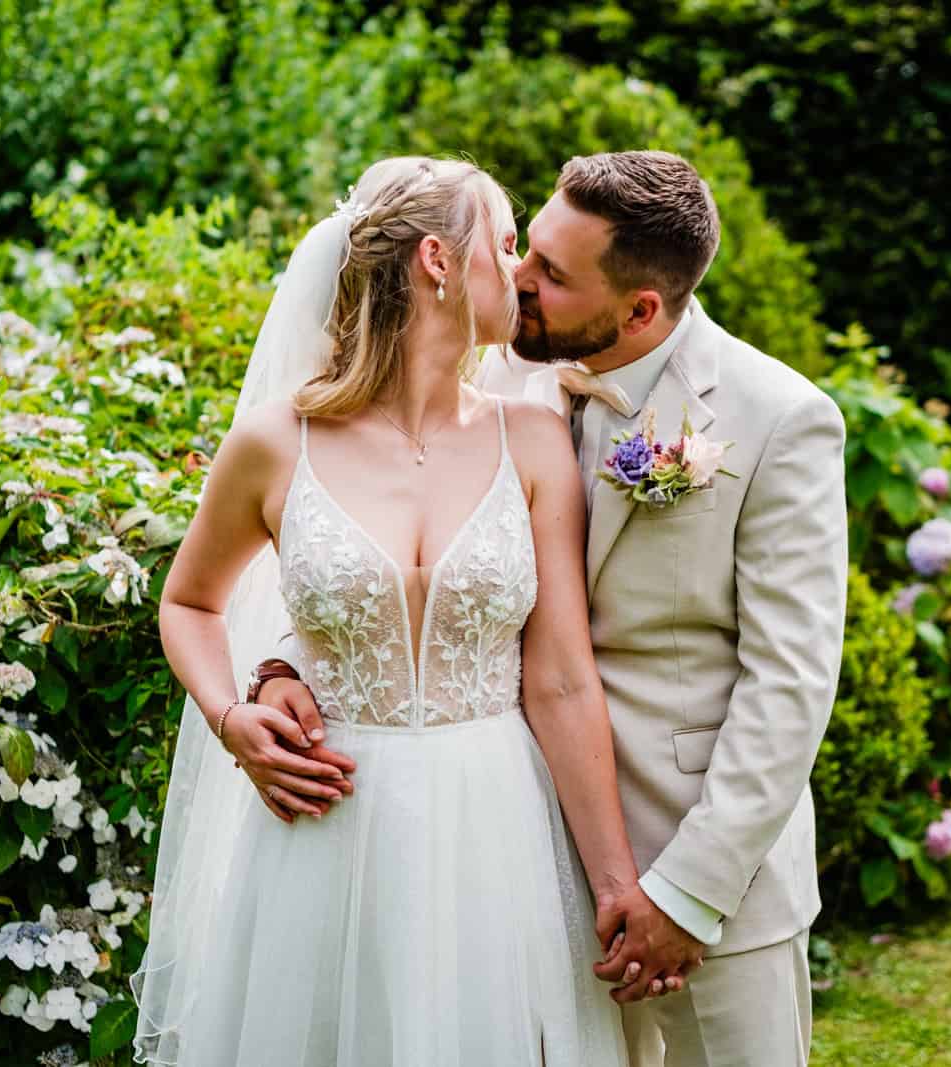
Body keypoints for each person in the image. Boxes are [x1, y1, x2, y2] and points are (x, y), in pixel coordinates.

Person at [257, 151, 849, 1066]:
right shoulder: (501, 380)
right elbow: (417, 558)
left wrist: (689, 892)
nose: (518, 280)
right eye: (526, 248)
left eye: (552, 275)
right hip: (525, 867)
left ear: (640, 309)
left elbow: (791, 686)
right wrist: (289, 660)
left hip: (702, 875)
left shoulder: (778, 419)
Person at [131, 156, 659, 1066]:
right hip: (326, 826)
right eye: (504, 243)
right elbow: (189, 601)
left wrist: (617, 880)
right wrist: (233, 715)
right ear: (437, 262)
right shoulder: (274, 442)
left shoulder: (533, 440)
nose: (522, 270)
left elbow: (564, 678)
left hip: (494, 826)